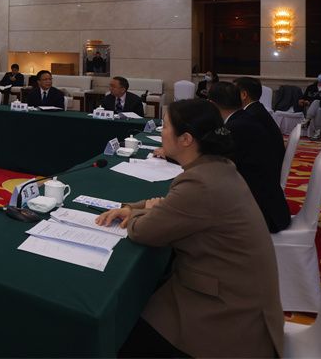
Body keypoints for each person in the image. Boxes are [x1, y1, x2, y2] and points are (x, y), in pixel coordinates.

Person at [96, 99, 283, 358]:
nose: (161, 132)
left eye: (165, 126)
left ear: (185, 139)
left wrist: (140, 213)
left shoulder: (201, 183)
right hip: (235, 294)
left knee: (122, 334)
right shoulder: (216, 166)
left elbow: (143, 231)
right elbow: (171, 207)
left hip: (228, 317)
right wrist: (138, 207)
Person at [208, 82, 290, 232]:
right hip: (263, 201)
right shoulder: (243, 118)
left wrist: (171, 153)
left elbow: (208, 153)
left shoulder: (236, 126)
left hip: (261, 213)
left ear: (212, 105)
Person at [234, 76, 286, 158]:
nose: (230, 96)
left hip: (265, 163)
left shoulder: (250, 115)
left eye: (233, 92)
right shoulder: (257, 109)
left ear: (244, 95)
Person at [299, 71, 321, 139]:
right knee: (319, 110)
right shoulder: (311, 87)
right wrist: (302, 101)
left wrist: (310, 102)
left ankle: (307, 120)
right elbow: (303, 98)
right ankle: (318, 132)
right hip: (313, 109)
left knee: (317, 102)